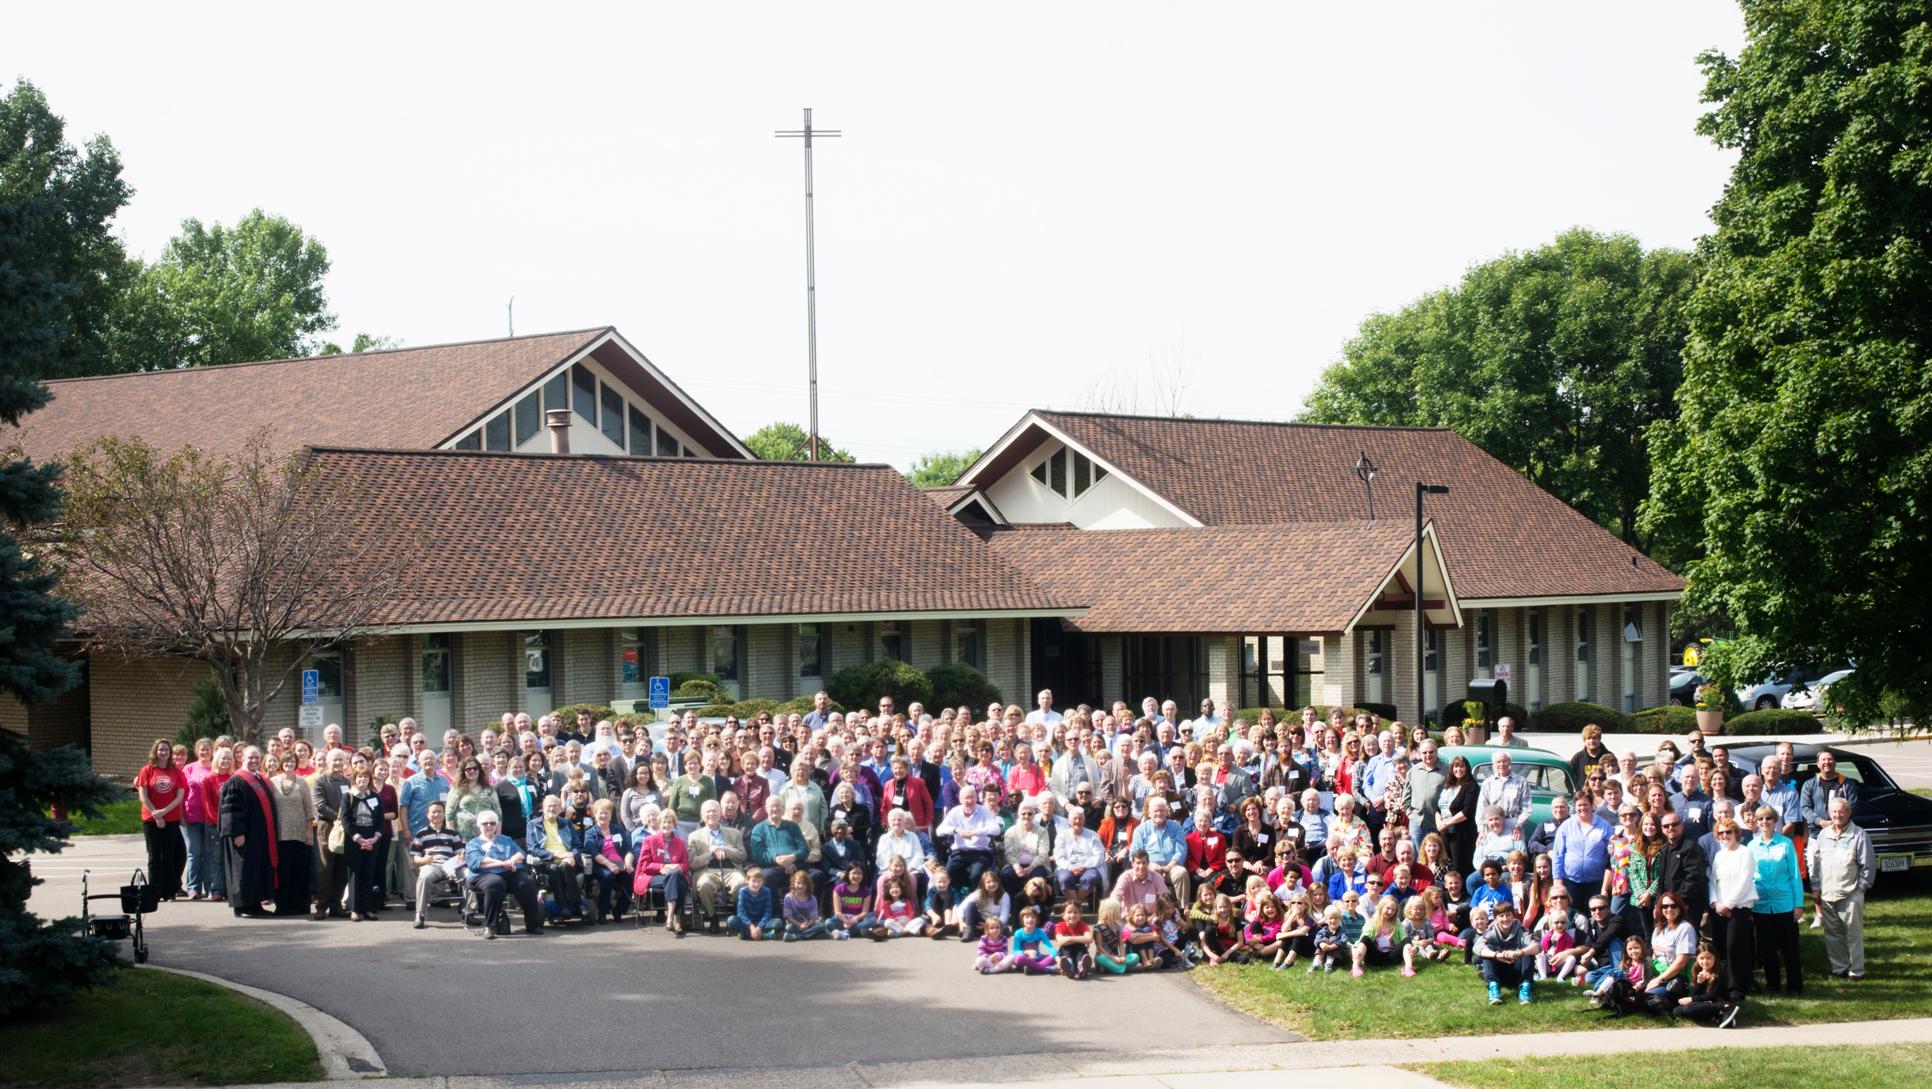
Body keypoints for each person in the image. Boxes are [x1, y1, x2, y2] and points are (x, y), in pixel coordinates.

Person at [1808, 794, 1873, 980]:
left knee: (1853, 934)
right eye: (1834, 812)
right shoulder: (1823, 834)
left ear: (1849, 813)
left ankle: (1856, 971)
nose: (1837, 815)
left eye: (1841, 811)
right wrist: (1816, 887)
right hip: (1828, 894)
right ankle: (1839, 968)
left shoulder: (1859, 834)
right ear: (1830, 813)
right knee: (1832, 934)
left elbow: (1867, 865)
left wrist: (1861, 888)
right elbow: (1816, 862)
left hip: (1851, 894)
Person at [1747, 803, 1805, 995]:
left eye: (1768, 818)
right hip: (1761, 905)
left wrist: (1799, 904)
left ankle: (1795, 986)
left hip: (1785, 904)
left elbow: (1795, 876)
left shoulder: (1785, 844)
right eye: (1761, 819)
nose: (1765, 822)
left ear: (1775, 821)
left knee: (1790, 949)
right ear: (1756, 822)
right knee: (1767, 950)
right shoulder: (1751, 846)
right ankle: (1773, 986)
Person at [217, 747, 279, 917]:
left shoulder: (259, 778)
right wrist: (236, 833)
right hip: (244, 835)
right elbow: (230, 810)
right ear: (242, 759)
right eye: (250, 758)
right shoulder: (236, 781)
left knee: (254, 868)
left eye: (257, 758)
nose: (254, 761)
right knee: (242, 869)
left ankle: (255, 904)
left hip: (258, 835)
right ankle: (243, 907)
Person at [465, 812, 543, 937]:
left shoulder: (505, 840)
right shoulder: (473, 843)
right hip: (482, 875)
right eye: (485, 823)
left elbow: (521, 854)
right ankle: (490, 927)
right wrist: (500, 863)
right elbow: (478, 862)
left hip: (509, 872)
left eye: (492, 823)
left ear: (497, 825)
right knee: (495, 883)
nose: (489, 826)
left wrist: (512, 860)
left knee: (526, 882)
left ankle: (533, 924)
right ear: (479, 825)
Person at [135, 738, 188, 901]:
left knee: (170, 855)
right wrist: (156, 814)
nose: (163, 752)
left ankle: (169, 891)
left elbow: (180, 796)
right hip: (150, 820)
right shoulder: (147, 770)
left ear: (170, 753)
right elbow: (143, 795)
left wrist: (164, 812)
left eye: (166, 750)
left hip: (171, 819)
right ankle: (155, 891)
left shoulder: (176, 772)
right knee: (154, 856)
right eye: (160, 750)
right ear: (155, 752)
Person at [266, 752, 316, 917]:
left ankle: (300, 906)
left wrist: (309, 831)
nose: (289, 763)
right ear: (281, 763)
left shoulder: (302, 782)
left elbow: (309, 809)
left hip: (299, 833)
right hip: (280, 834)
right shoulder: (272, 782)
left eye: (292, 761)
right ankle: (283, 906)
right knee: (282, 872)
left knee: (299, 871)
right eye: (286, 761)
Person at [527, 794, 588, 923]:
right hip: (547, 861)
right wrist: (555, 855)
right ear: (543, 808)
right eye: (549, 806)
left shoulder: (566, 823)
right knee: (554, 868)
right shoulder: (533, 825)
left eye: (555, 806)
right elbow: (533, 849)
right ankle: (565, 906)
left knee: (565, 866)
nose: (552, 809)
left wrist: (572, 855)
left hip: (567, 860)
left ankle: (575, 903)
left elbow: (577, 845)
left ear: (561, 809)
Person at [687, 799, 746, 932]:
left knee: (741, 883)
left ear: (720, 814)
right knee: (704, 884)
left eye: (714, 811)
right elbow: (693, 863)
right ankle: (712, 916)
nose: (711, 814)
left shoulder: (734, 833)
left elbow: (742, 856)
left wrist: (725, 850)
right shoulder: (694, 836)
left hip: (731, 869)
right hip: (707, 870)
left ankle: (736, 914)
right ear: (702, 815)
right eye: (708, 811)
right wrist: (710, 852)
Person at [633, 808, 691, 934]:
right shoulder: (650, 841)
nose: (666, 825)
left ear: (674, 824)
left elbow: (686, 864)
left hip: (675, 875)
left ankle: (670, 916)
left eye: (669, 822)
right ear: (659, 824)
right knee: (676, 880)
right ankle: (676, 918)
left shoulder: (680, 842)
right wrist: (661, 867)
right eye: (664, 822)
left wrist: (677, 867)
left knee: (675, 876)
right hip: (654, 876)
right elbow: (644, 865)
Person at [410, 800, 467, 928]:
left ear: (444, 814)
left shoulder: (453, 833)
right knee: (424, 877)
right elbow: (415, 859)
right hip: (431, 865)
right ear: (428, 815)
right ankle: (420, 914)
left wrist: (461, 856)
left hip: (450, 865)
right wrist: (425, 860)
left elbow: (460, 853)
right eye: (433, 812)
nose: (437, 814)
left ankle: (469, 912)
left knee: (468, 874)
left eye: (439, 812)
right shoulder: (421, 834)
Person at [309, 749, 352, 919]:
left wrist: (345, 821)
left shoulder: (347, 781)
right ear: (328, 761)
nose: (338, 763)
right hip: (326, 828)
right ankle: (321, 906)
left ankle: (336, 905)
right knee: (325, 868)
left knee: (342, 868)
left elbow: (351, 802)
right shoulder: (319, 781)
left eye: (341, 760)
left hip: (344, 829)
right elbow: (319, 806)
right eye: (334, 760)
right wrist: (339, 817)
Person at [342, 768, 387, 921]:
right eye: (359, 777)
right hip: (354, 838)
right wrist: (358, 838)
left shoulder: (375, 796)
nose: (362, 780)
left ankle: (368, 908)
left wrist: (375, 837)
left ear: (369, 779)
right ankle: (354, 910)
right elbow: (345, 820)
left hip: (372, 838)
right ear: (355, 779)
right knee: (355, 874)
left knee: (369, 873)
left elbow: (381, 820)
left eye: (365, 777)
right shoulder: (348, 796)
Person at [1474, 899, 1535, 1005]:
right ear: (1496, 918)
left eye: (1508, 915)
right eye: (1501, 916)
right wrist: (1497, 955)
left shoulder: (1521, 931)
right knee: (1487, 950)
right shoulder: (1491, 932)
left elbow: (1537, 946)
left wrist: (1519, 952)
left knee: (1528, 949)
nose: (1505, 919)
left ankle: (1525, 988)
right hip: (1499, 972)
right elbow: (1477, 947)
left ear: (1513, 916)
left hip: (1519, 971)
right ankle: (1494, 988)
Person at [1478, 752, 1531, 835]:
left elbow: (1527, 808)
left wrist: (1518, 825)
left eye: (1504, 761)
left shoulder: (1521, 782)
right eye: (1498, 762)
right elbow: (1481, 808)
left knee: (1517, 847)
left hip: (1513, 823)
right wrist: (1482, 829)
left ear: (1509, 762)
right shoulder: (1488, 783)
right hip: (1492, 824)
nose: (1501, 764)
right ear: (1494, 764)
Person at [731, 867, 781, 941]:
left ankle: (746, 933)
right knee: (731, 920)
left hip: (761, 921)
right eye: (753, 881)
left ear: (763, 882)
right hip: (747, 922)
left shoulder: (766, 891)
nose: (756, 884)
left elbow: (767, 912)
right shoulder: (743, 891)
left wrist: (759, 927)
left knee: (778, 922)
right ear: (747, 881)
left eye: (759, 881)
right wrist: (751, 926)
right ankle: (763, 934)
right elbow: (741, 913)